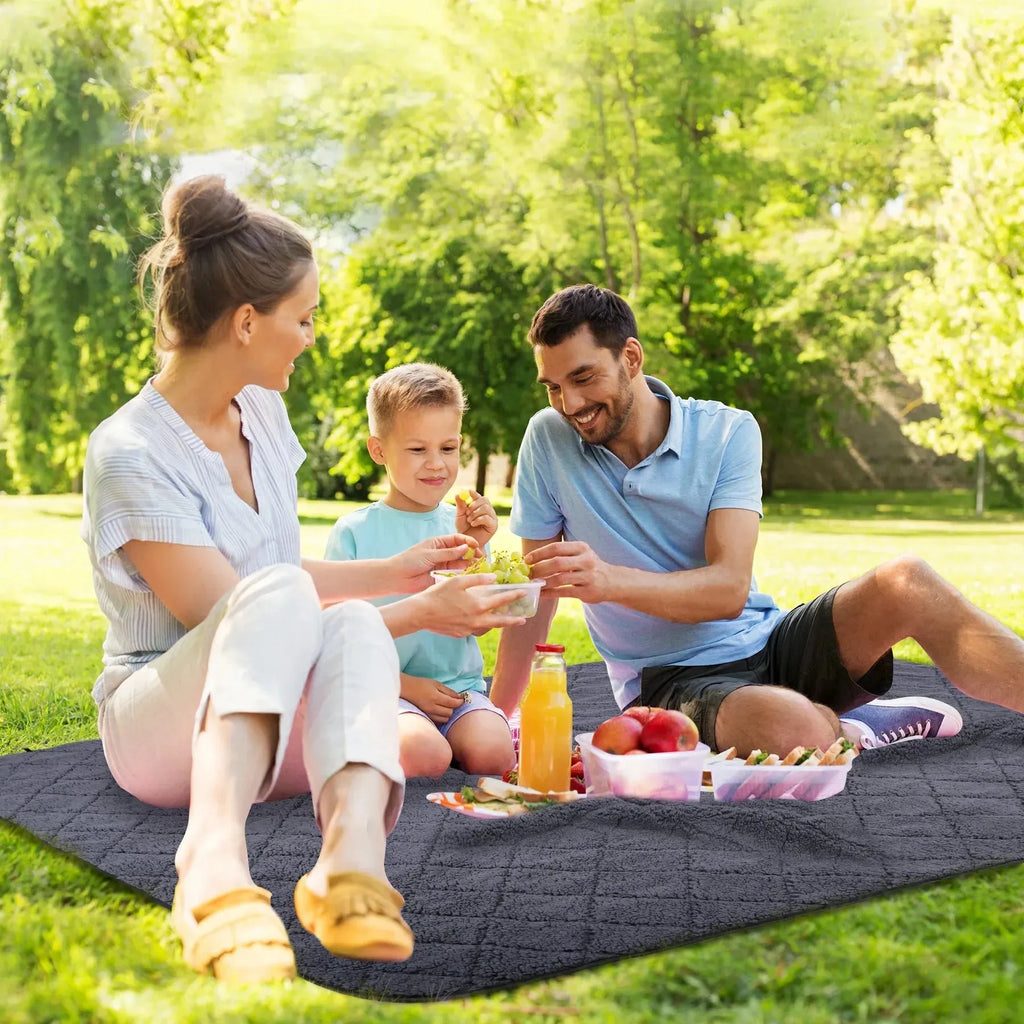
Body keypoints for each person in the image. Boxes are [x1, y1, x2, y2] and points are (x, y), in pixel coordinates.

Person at [80, 175, 526, 985]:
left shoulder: (265, 415)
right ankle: (210, 865)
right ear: (248, 321)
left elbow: (278, 586)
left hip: (269, 717)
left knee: (354, 621)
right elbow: (247, 615)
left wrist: (395, 572)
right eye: (306, 317)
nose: (312, 336)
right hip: (156, 728)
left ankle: (349, 866)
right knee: (319, 608)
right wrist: (418, 607)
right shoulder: (129, 454)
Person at [490, 283, 1024, 758]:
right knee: (788, 727)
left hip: (768, 641)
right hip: (668, 679)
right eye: (553, 386)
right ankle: (842, 723)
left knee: (908, 582)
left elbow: (727, 590)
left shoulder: (728, 432)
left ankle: (834, 718)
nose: (570, 403)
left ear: (631, 357)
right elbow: (533, 594)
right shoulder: (548, 438)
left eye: (583, 377)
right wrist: (498, 717)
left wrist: (608, 581)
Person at [324, 364, 517, 780]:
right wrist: (405, 687)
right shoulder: (355, 533)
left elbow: (478, 625)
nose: (436, 465)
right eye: (417, 450)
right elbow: (338, 638)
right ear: (379, 451)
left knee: (495, 754)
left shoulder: (461, 525)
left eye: (448, 449)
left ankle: (444, 740)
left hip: (458, 689)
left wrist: (478, 546)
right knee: (425, 755)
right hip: (383, 688)